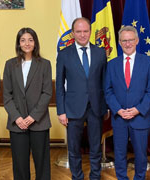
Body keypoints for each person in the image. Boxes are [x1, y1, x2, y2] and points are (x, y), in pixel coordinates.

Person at [56, 17, 107, 180]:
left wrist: (106, 106)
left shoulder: (100, 52)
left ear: (90, 32)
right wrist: (61, 111)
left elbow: (105, 81)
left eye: (86, 31)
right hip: (72, 108)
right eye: (78, 31)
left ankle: (95, 176)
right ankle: (77, 176)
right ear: (73, 33)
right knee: (74, 148)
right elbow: (59, 85)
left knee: (95, 147)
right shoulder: (64, 54)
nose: (82, 35)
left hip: (96, 107)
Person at [104, 26, 150, 180]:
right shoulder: (112, 64)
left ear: (137, 41)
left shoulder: (148, 62)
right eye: (124, 41)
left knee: (140, 155)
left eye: (130, 40)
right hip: (119, 117)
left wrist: (137, 109)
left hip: (140, 117)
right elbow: (108, 91)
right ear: (120, 43)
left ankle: (139, 178)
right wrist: (118, 110)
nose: (127, 44)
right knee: (119, 154)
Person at [3, 27, 52, 180]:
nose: (27, 43)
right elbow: (7, 95)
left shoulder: (45, 64)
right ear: (18, 43)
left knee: (42, 162)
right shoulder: (10, 64)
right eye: (23, 40)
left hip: (39, 122)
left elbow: (47, 93)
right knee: (20, 163)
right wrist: (17, 117)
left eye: (30, 40)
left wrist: (33, 116)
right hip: (17, 123)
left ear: (35, 43)